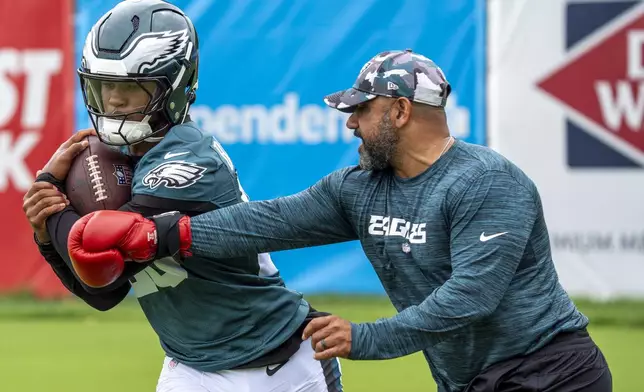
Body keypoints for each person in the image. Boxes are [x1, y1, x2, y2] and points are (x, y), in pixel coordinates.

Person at [66, 49, 613, 392]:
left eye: (361, 109)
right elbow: (269, 222)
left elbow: (471, 297)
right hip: (467, 379)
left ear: (399, 112)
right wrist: (163, 233)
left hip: (552, 374)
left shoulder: (488, 182)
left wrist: (365, 337)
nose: (349, 122)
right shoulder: (360, 188)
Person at [21, 1, 343, 391]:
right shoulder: (126, 157)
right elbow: (103, 291)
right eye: (104, 87)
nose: (115, 102)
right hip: (191, 366)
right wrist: (46, 233)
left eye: (130, 89)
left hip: (277, 363)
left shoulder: (189, 157)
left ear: (174, 86)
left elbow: (102, 242)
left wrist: (51, 194)